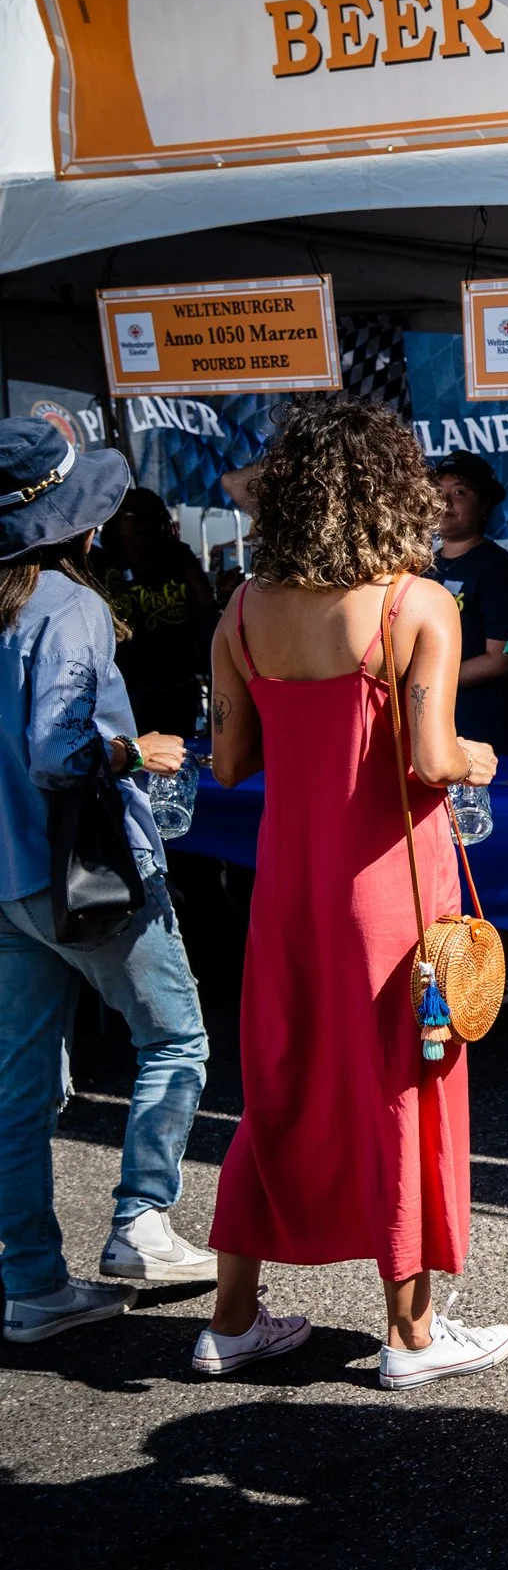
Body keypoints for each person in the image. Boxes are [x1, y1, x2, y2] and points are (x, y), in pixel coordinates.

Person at [200, 400, 508, 1387]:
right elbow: (427, 759)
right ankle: (411, 1333)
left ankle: (231, 1318)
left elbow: (230, 757)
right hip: (389, 894)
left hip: (285, 893)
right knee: (402, 1090)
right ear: (393, 491)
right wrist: (478, 755)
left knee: (280, 1088)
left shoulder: (245, 608)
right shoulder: (414, 604)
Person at [0, 422, 215, 1344]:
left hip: (8, 879)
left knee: (16, 1086)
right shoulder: (67, 606)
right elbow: (62, 750)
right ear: (77, 526)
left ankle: (31, 1282)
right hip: (83, 870)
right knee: (176, 1039)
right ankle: (140, 1225)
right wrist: (141, 748)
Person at [428, 449, 508, 757]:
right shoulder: (421, 567)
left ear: (484, 504)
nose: (445, 502)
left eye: (459, 492)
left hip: (485, 734)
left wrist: (427, 680)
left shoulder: (500, 570)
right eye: (438, 493)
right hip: (434, 729)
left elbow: (500, 659)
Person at [98, 484, 216, 737]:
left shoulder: (178, 555)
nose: (143, 523)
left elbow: (205, 607)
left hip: (178, 687)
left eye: (151, 515)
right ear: (116, 521)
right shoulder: (101, 565)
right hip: (126, 691)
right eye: (133, 516)